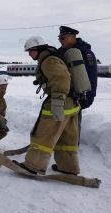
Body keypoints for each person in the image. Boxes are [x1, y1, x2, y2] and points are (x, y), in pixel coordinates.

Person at [13, 35, 81, 175]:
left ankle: (33, 166)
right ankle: (68, 167)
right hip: (71, 104)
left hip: (60, 102)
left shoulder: (49, 61)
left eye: (31, 50)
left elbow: (61, 79)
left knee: (43, 134)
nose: (30, 54)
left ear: (38, 48)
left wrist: (56, 103)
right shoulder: (52, 57)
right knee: (66, 139)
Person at [57, 26, 98, 143]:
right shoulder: (60, 53)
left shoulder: (86, 53)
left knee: (72, 130)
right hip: (62, 97)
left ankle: (70, 159)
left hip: (77, 98)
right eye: (59, 38)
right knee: (60, 129)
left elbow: (92, 77)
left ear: (73, 37)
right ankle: (62, 159)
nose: (60, 40)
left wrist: (88, 98)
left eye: (63, 38)